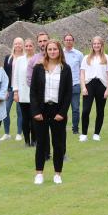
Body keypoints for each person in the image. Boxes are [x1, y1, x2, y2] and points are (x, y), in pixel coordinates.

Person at [30, 39, 71, 184]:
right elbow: (33, 92)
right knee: (41, 142)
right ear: (46, 51)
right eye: (50, 49)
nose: (52, 52)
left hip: (58, 110)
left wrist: (62, 112)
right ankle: (39, 173)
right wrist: (35, 111)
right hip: (41, 110)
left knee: (58, 143)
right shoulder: (38, 68)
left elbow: (68, 93)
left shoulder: (65, 69)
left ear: (59, 51)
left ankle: (57, 174)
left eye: (55, 49)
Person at [79, 36, 108, 142]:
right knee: (85, 110)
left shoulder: (107, 58)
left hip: (101, 85)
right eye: (94, 44)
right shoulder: (86, 58)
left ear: (102, 45)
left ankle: (96, 133)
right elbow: (82, 73)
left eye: (98, 43)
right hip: (89, 84)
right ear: (92, 45)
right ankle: (84, 134)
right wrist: (83, 87)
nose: (96, 45)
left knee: (100, 110)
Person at [12, 38, 36, 146]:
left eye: (30, 46)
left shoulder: (38, 59)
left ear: (33, 47)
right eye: (26, 46)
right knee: (25, 118)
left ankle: (34, 140)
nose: (28, 48)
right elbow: (15, 77)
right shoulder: (19, 60)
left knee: (34, 118)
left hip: (35, 93)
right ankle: (27, 140)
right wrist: (15, 92)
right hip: (22, 93)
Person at [2, 38, 25, 141]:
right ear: (13, 45)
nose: (18, 45)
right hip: (10, 89)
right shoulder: (8, 58)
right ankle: (7, 133)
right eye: (16, 43)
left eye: (20, 43)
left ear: (23, 45)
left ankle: (19, 133)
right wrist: (6, 89)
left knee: (20, 111)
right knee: (5, 110)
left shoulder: (25, 57)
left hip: (21, 89)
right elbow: (5, 74)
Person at [62, 33, 84, 135]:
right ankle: (62, 127)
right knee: (63, 109)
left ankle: (75, 129)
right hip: (62, 86)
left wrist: (82, 84)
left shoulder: (79, 54)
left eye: (70, 40)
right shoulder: (60, 53)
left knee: (75, 109)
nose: (68, 41)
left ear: (73, 41)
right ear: (64, 41)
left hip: (75, 85)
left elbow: (82, 70)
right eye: (66, 40)